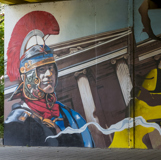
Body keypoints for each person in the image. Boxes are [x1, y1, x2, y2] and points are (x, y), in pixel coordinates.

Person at [4, 11, 94, 147]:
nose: (49, 74)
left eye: (51, 68)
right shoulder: (17, 122)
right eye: (41, 70)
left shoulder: (70, 115)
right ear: (26, 77)